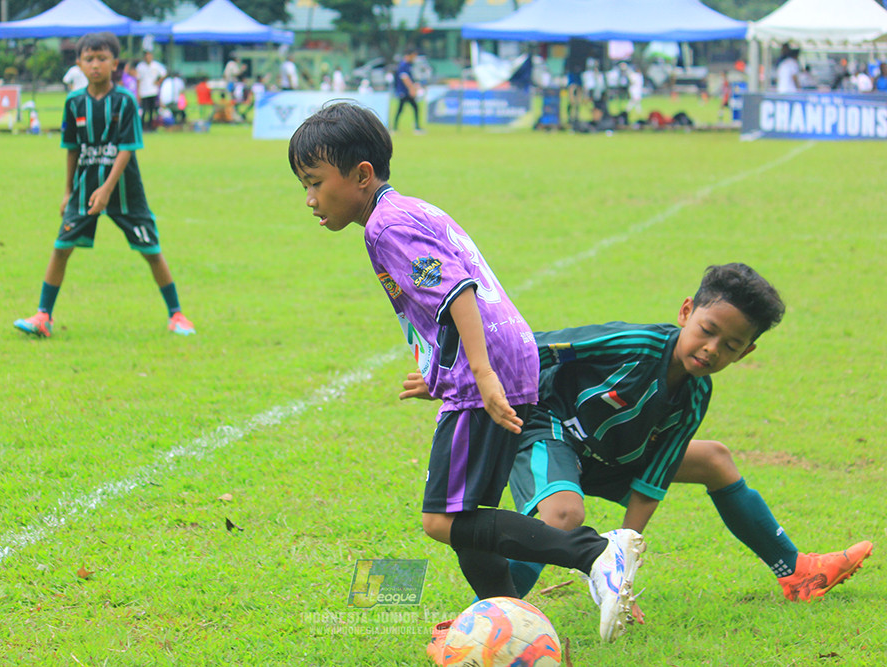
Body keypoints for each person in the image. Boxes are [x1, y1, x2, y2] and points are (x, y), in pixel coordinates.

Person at [287, 102, 647, 650]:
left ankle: (594, 553)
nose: (310, 200)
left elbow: (458, 292)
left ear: (361, 174)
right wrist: (439, 370)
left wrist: (478, 374)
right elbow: (441, 301)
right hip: (507, 354)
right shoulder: (407, 209)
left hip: (490, 367)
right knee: (464, 511)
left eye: (315, 183)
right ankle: (510, 625)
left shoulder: (385, 226)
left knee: (440, 519)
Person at [404, 264, 872, 624]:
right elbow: (537, 346)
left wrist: (620, 575)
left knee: (714, 459)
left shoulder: (695, 395)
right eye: (708, 331)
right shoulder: (635, 343)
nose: (712, 349)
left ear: (746, 352)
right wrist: (461, 377)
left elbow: (653, 481)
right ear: (686, 312)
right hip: (544, 425)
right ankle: (485, 618)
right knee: (563, 516)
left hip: (605, 455)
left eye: (730, 346)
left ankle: (796, 572)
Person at [13, 32, 194, 339]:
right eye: (89, 59)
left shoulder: (124, 101)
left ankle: (176, 315)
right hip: (85, 188)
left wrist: (108, 189)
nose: (95, 65)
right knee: (61, 248)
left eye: (102, 59)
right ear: (79, 63)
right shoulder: (74, 102)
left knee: (151, 250)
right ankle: (43, 316)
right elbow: (72, 148)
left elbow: (127, 148)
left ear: (115, 63)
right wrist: (69, 191)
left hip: (125, 190)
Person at [393, 48, 423, 133]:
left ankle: (396, 127)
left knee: (412, 107)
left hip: (406, 91)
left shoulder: (409, 65)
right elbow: (405, 78)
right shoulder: (403, 65)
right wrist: (411, 89)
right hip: (404, 91)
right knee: (402, 109)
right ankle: (395, 128)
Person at [135, 49, 166, 130]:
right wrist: (138, 93)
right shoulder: (140, 67)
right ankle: (142, 127)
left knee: (152, 111)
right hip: (144, 92)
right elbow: (138, 80)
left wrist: (158, 81)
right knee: (144, 111)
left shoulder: (156, 65)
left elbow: (164, 73)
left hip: (153, 91)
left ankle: (151, 127)